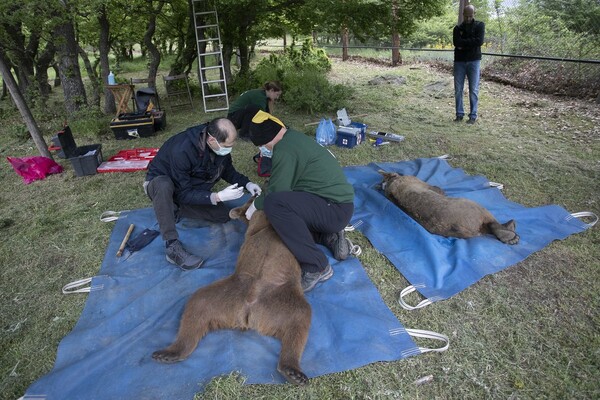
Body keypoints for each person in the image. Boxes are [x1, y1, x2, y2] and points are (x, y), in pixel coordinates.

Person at [245, 110, 355, 292]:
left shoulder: (284, 150)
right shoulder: (293, 138)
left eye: (263, 146)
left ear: (268, 140)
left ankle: (317, 266)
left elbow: (278, 192)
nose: (263, 150)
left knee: (275, 205)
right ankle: (328, 236)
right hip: (334, 205)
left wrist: (256, 205)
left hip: (333, 210)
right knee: (289, 217)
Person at [144, 118, 262, 270]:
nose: (229, 149)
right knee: (163, 184)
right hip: (162, 187)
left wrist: (248, 184)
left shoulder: (217, 146)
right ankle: (171, 246)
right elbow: (183, 193)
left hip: (189, 188)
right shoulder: (182, 150)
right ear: (212, 140)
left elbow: (228, 171)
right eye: (227, 146)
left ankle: (176, 208)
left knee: (223, 215)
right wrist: (217, 197)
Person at [453, 4, 485, 124]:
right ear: (463, 15)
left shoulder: (480, 26)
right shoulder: (457, 28)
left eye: (470, 16)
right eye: (466, 16)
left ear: (474, 14)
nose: (468, 19)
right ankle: (459, 114)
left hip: (474, 61)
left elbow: (480, 41)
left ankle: (473, 116)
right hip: (459, 62)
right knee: (458, 89)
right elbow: (457, 43)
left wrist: (463, 44)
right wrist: (471, 42)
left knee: (473, 89)